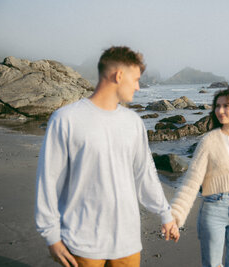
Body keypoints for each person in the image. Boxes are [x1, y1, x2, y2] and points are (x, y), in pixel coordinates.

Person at [35, 46, 179, 267]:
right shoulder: (66, 119)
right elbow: (48, 179)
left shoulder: (133, 122)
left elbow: (145, 174)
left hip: (128, 241)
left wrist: (165, 214)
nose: (138, 87)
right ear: (119, 75)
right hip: (82, 240)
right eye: (136, 79)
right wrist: (51, 235)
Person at [171, 88, 229, 267]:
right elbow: (192, 181)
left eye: (226, 106)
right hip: (213, 209)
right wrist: (175, 216)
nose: (220, 111)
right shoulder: (208, 141)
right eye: (217, 106)